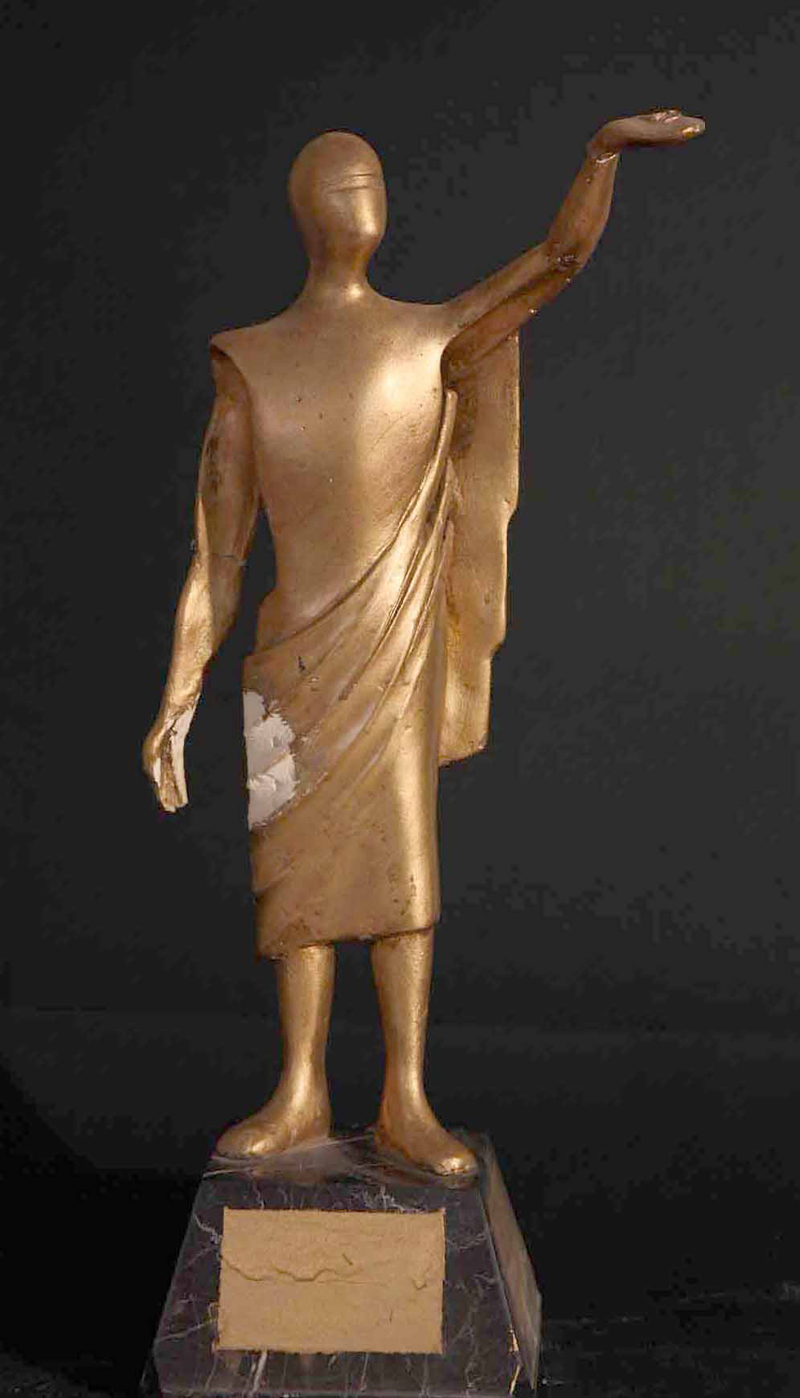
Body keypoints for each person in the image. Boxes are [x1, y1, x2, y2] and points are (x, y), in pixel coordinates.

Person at [143, 112, 703, 1174]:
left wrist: (599, 155)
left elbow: (556, 260)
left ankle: (404, 1094)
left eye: (371, 184)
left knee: (400, 866)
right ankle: (301, 1088)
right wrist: (178, 696)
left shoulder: (432, 336)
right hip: (293, 654)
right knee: (293, 882)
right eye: (341, 186)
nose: (360, 202)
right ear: (307, 212)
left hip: (392, 644)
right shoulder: (250, 363)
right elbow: (216, 553)